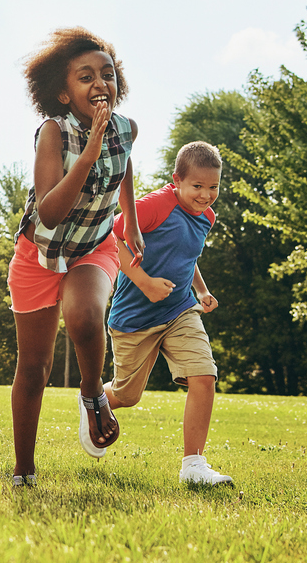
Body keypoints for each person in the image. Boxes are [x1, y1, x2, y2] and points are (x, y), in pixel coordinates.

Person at [7, 27, 142, 487]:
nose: (100, 83)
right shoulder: (53, 133)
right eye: (86, 77)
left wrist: (132, 222)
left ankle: (92, 395)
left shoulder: (126, 129)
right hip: (39, 253)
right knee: (34, 368)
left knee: (85, 316)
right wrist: (87, 153)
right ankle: (24, 469)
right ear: (64, 93)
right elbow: (49, 210)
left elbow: (123, 169)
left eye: (107, 74)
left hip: (94, 244)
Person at [104, 141, 233, 486]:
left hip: (179, 310)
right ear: (176, 179)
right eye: (198, 187)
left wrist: (201, 290)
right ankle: (96, 400)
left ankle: (193, 466)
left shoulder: (206, 217)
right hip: (135, 317)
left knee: (204, 375)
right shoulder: (155, 205)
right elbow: (109, 238)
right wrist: (144, 282)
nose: (206, 196)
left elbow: (186, 257)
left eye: (214, 187)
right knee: (126, 396)